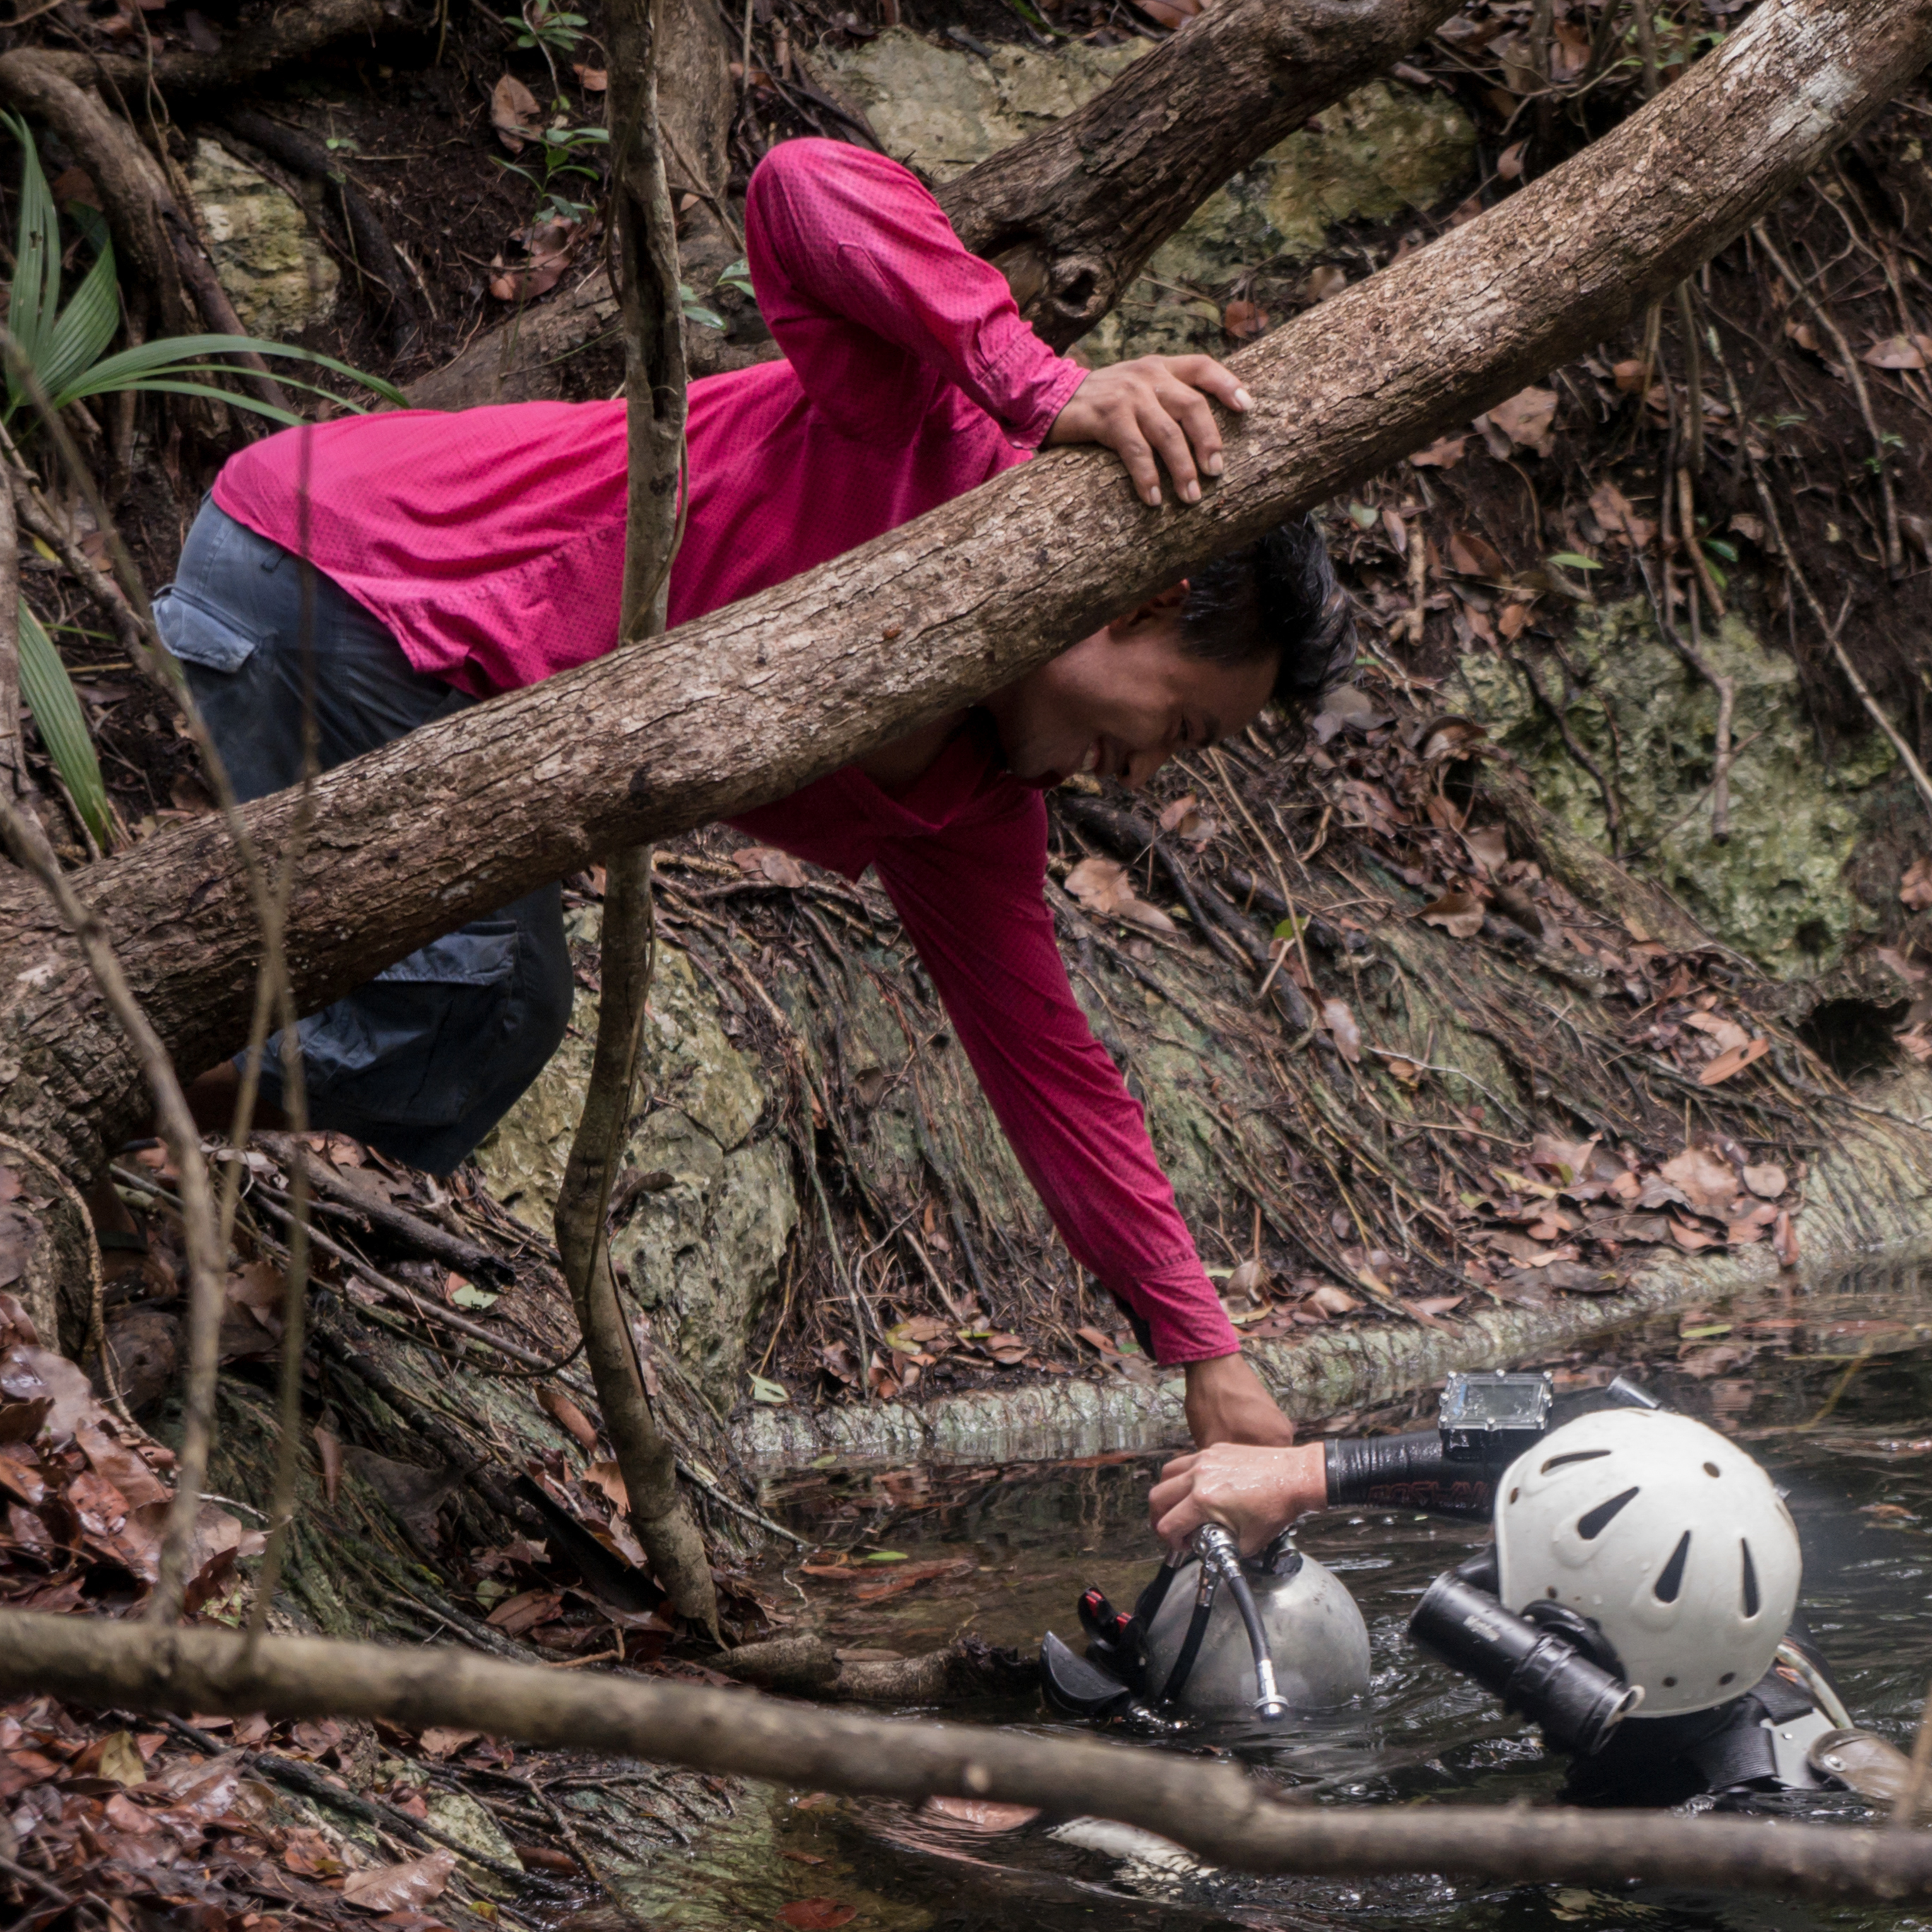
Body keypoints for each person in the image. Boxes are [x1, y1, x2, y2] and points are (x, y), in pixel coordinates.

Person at [149, 137, 1353, 1449]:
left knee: (485, 1031)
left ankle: (100, 1078)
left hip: (406, 666)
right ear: (1143, 596)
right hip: (341, 574)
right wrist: (1035, 380)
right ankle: (94, 1069)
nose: (1147, 772)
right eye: (1177, 724)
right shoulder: (928, 435)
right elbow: (801, 187)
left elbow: (1051, 1073)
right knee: (473, 990)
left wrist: (1204, 1355)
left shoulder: (966, 807)